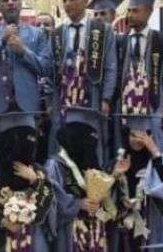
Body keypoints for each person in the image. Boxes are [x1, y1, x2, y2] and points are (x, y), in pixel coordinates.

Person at [0, 0, 52, 152]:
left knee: (27, 158)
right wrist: (1, 40)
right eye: (5, 0)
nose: (10, 2)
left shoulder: (37, 33)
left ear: (21, 3)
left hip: (27, 108)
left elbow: (45, 68)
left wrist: (23, 51)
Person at [49, 0, 117, 163]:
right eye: (64, 0)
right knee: (63, 144)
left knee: (91, 144)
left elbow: (110, 67)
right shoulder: (57, 33)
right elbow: (51, 70)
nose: (67, 3)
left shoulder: (101, 30)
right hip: (64, 100)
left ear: (85, 1)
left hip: (91, 96)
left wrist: (106, 98)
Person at [0, 112, 55, 251]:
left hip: (34, 240)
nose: (28, 144)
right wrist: (5, 222)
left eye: (32, 138)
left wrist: (35, 180)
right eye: (22, 138)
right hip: (1, 241)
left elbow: (48, 204)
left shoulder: (38, 171)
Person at [45, 106, 116, 252]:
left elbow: (106, 200)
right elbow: (52, 201)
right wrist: (78, 204)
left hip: (95, 230)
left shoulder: (90, 161)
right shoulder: (55, 165)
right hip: (70, 232)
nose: (91, 146)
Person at [109, 114, 163, 249]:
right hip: (122, 223)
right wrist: (116, 174)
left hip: (149, 220)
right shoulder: (118, 161)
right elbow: (106, 194)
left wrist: (154, 150)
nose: (137, 140)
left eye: (142, 136)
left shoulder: (154, 162)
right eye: (133, 135)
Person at [115, 0, 163, 152]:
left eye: (135, 10)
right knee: (129, 157)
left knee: (157, 154)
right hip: (127, 111)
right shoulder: (121, 42)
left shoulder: (161, 40)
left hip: (154, 109)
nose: (130, 15)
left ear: (149, 11)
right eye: (129, 10)